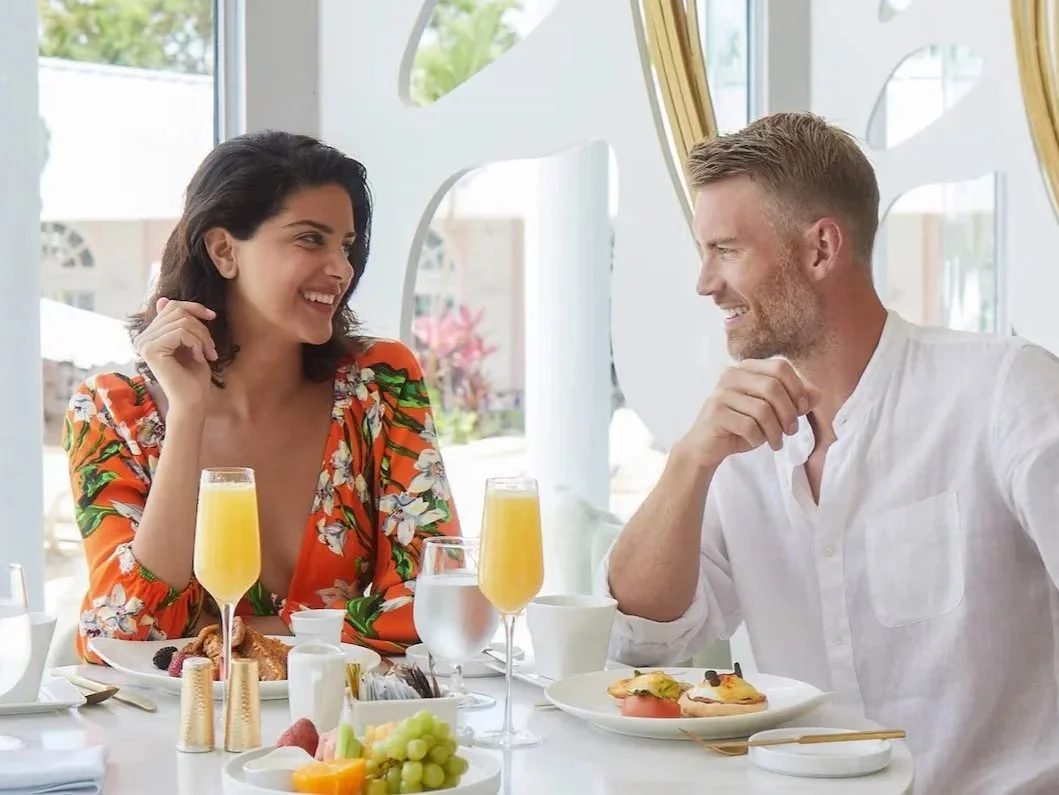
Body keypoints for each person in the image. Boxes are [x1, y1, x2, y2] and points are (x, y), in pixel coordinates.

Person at [603, 113, 1059, 794]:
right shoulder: (732, 443)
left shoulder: (1001, 391)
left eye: (725, 249)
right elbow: (643, 638)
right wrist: (688, 462)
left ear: (819, 249)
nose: (704, 282)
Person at [64, 130, 460, 662]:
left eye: (346, 244)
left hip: (345, 731)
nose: (342, 269)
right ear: (225, 250)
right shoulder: (111, 413)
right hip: (173, 735)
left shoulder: (379, 384)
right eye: (309, 238)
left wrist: (244, 631)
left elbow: (438, 601)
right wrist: (187, 415)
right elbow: (126, 634)